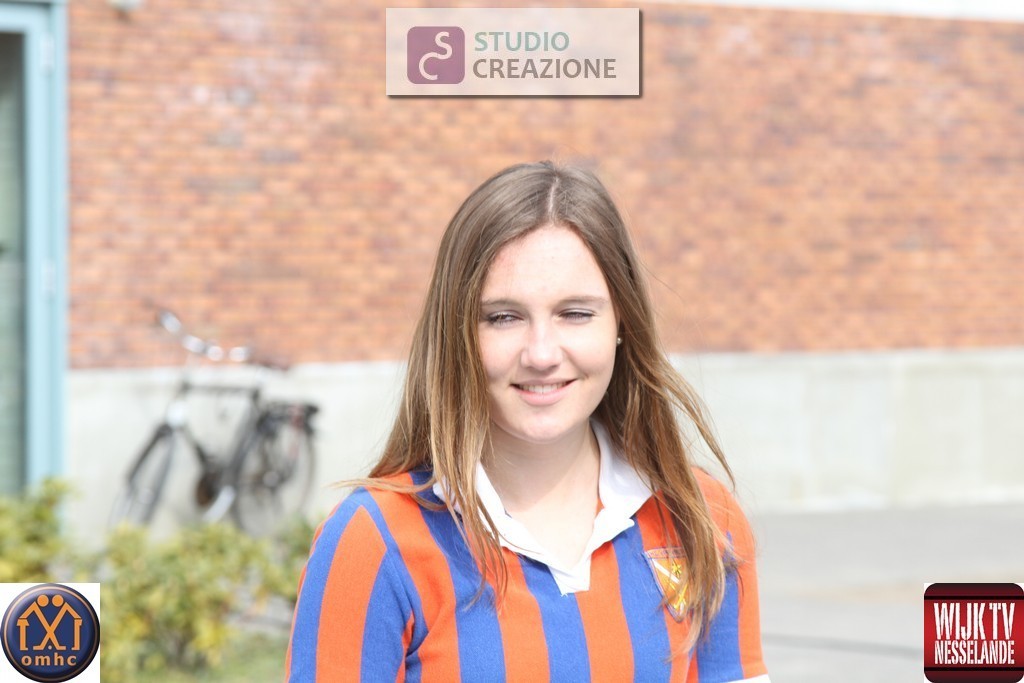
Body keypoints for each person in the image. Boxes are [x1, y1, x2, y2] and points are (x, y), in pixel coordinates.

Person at [286, 161, 769, 682]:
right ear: (457, 334)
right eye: (503, 317)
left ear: (622, 323)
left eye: (575, 313)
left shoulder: (703, 518)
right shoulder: (373, 542)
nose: (541, 354)